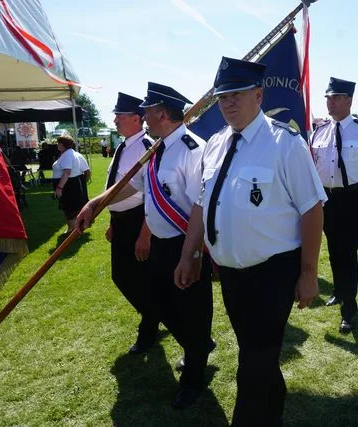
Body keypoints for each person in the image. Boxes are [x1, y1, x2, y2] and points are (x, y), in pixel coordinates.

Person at [174, 57, 326, 426]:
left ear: (258, 95)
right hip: (231, 273)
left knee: (253, 363)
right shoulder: (215, 144)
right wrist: (190, 255)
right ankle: (272, 411)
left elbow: (312, 209)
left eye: (236, 95)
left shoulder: (284, 144)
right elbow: (200, 204)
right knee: (257, 353)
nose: (227, 103)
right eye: (222, 97)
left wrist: (309, 273)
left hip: (273, 273)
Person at [125, 81, 215, 410]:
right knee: (159, 304)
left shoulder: (194, 149)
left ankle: (193, 378)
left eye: (147, 110)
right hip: (161, 245)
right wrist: (97, 204)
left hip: (186, 245)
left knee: (193, 311)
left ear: (162, 113)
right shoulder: (156, 148)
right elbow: (140, 191)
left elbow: (199, 207)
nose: (143, 115)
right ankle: (199, 348)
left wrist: (191, 254)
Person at [76, 92, 160, 355]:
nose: (114, 120)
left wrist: (145, 234)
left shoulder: (147, 146)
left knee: (141, 279)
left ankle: (150, 326)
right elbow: (114, 186)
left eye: (120, 116)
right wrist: (113, 220)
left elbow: (151, 194)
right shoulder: (123, 146)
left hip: (140, 220)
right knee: (122, 276)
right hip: (122, 221)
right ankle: (154, 316)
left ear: (137, 118)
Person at [310, 77, 358, 334]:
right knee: (334, 251)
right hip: (327, 201)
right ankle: (340, 292)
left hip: (354, 199)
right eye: (328, 97)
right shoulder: (318, 132)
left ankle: (348, 309)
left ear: (349, 100)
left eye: (337, 97)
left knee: (348, 254)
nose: (331, 101)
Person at [52, 135, 88, 234]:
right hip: (70, 183)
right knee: (71, 206)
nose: (57, 144)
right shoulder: (70, 153)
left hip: (68, 185)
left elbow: (67, 171)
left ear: (63, 144)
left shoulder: (67, 155)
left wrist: (59, 187)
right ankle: (73, 228)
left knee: (69, 207)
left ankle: (73, 230)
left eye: (58, 142)